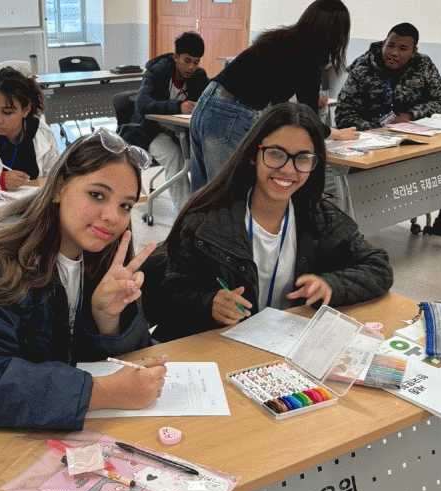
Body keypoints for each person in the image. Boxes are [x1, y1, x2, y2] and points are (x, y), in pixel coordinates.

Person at [0, 128, 167, 429]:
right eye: (97, 195)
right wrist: (104, 392)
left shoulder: (103, 258)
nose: (113, 216)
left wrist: (106, 320)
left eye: (125, 205)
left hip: (51, 426)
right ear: (58, 188)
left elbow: (113, 360)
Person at [154, 102, 393, 343]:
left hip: (286, 345)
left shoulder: (320, 216)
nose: (288, 169)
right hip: (222, 347)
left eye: (303, 158)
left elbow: (378, 267)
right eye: (276, 154)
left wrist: (331, 285)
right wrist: (209, 303)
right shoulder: (205, 221)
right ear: (253, 155)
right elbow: (167, 297)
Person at [189, 0, 358, 193]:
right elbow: (309, 118)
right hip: (230, 115)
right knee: (225, 192)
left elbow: (279, 102)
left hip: (208, 101)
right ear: (336, 35)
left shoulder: (282, 39)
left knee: (202, 193)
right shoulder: (309, 57)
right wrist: (338, 134)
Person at [335, 23, 441, 241]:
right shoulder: (363, 67)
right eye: (390, 46)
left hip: (414, 136)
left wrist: (410, 115)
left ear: (414, 51)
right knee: (360, 175)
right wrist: (377, 130)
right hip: (372, 141)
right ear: (383, 44)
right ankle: (351, 232)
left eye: (403, 48)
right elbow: (343, 113)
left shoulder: (423, 65)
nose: (394, 53)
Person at [122, 31, 209, 210]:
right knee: (174, 157)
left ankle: (203, 208)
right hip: (149, 132)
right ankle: (185, 216)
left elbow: (210, 100)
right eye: (187, 60)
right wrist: (178, 107)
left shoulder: (198, 76)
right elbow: (142, 103)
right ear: (175, 57)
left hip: (181, 132)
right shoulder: (157, 71)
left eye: (196, 62)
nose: (191, 67)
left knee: (204, 157)